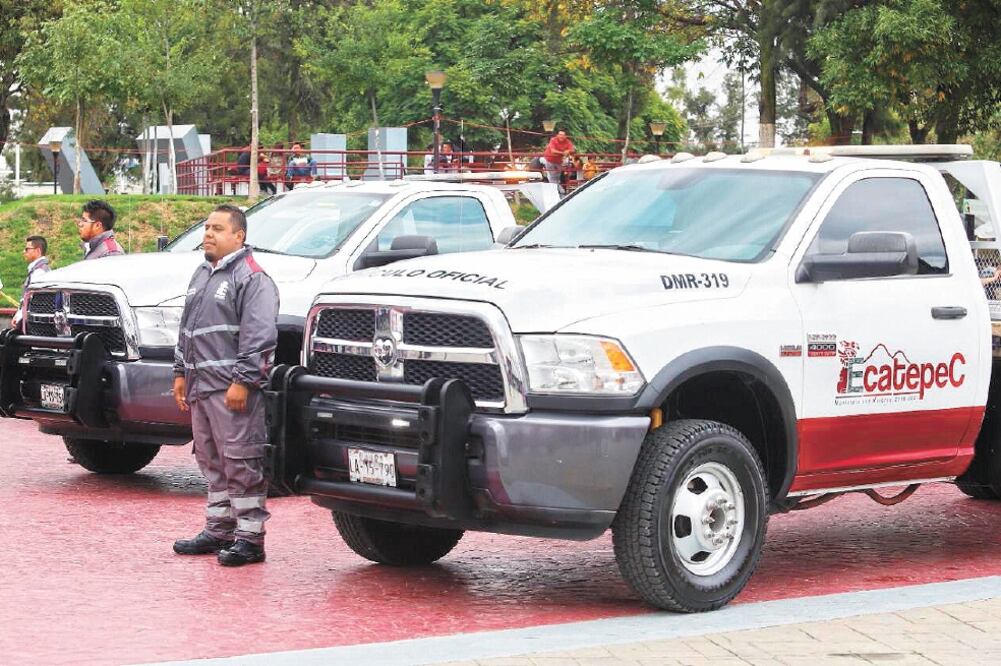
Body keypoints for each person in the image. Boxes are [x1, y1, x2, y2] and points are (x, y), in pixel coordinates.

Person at [172, 204, 279, 567]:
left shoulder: (252, 278)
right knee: (211, 460)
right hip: (201, 388)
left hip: (231, 391)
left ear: (239, 236)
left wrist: (244, 382)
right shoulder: (202, 274)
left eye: (217, 228)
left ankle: (250, 539)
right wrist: (180, 373)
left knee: (241, 460)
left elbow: (259, 337)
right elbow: (186, 330)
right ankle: (219, 529)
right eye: (206, 228)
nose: (208, 234)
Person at [11, 236, 51, 329]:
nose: (24, 252)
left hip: (34, 323)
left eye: (27, 249)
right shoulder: (38, 270)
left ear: (37, 251)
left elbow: (31, 299)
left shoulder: (39, 272)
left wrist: (19, 316)